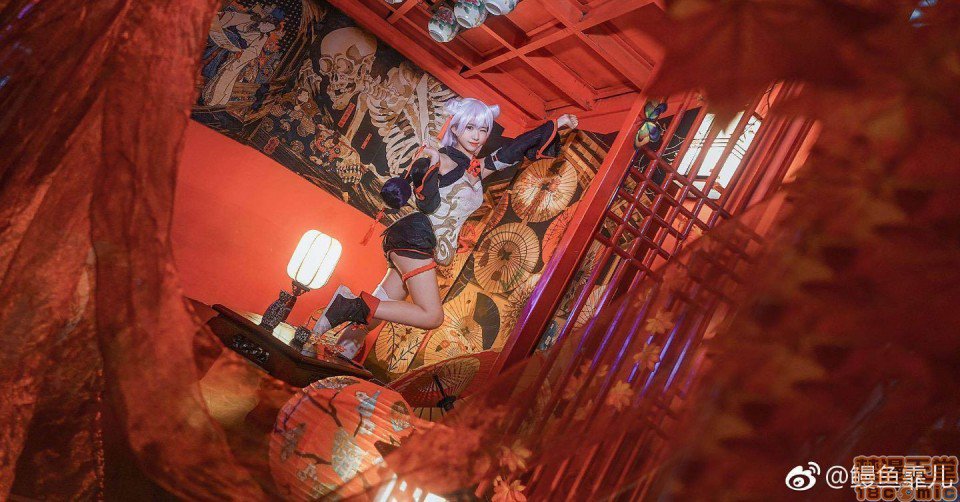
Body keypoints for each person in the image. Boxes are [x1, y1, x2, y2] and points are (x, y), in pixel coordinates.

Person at [308, 97, 578, 359]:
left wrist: (557, 124)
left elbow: (512, 150)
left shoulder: (475, 168)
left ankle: (335, 351)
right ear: (456, 128)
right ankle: (347, 305)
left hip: (416, 241)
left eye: (483, 129)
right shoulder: (443, 159)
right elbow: (428, 202)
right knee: (432, 316)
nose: (477, 136)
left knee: (377, 311)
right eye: (470, 127)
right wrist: (427, 166)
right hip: (415, 238)